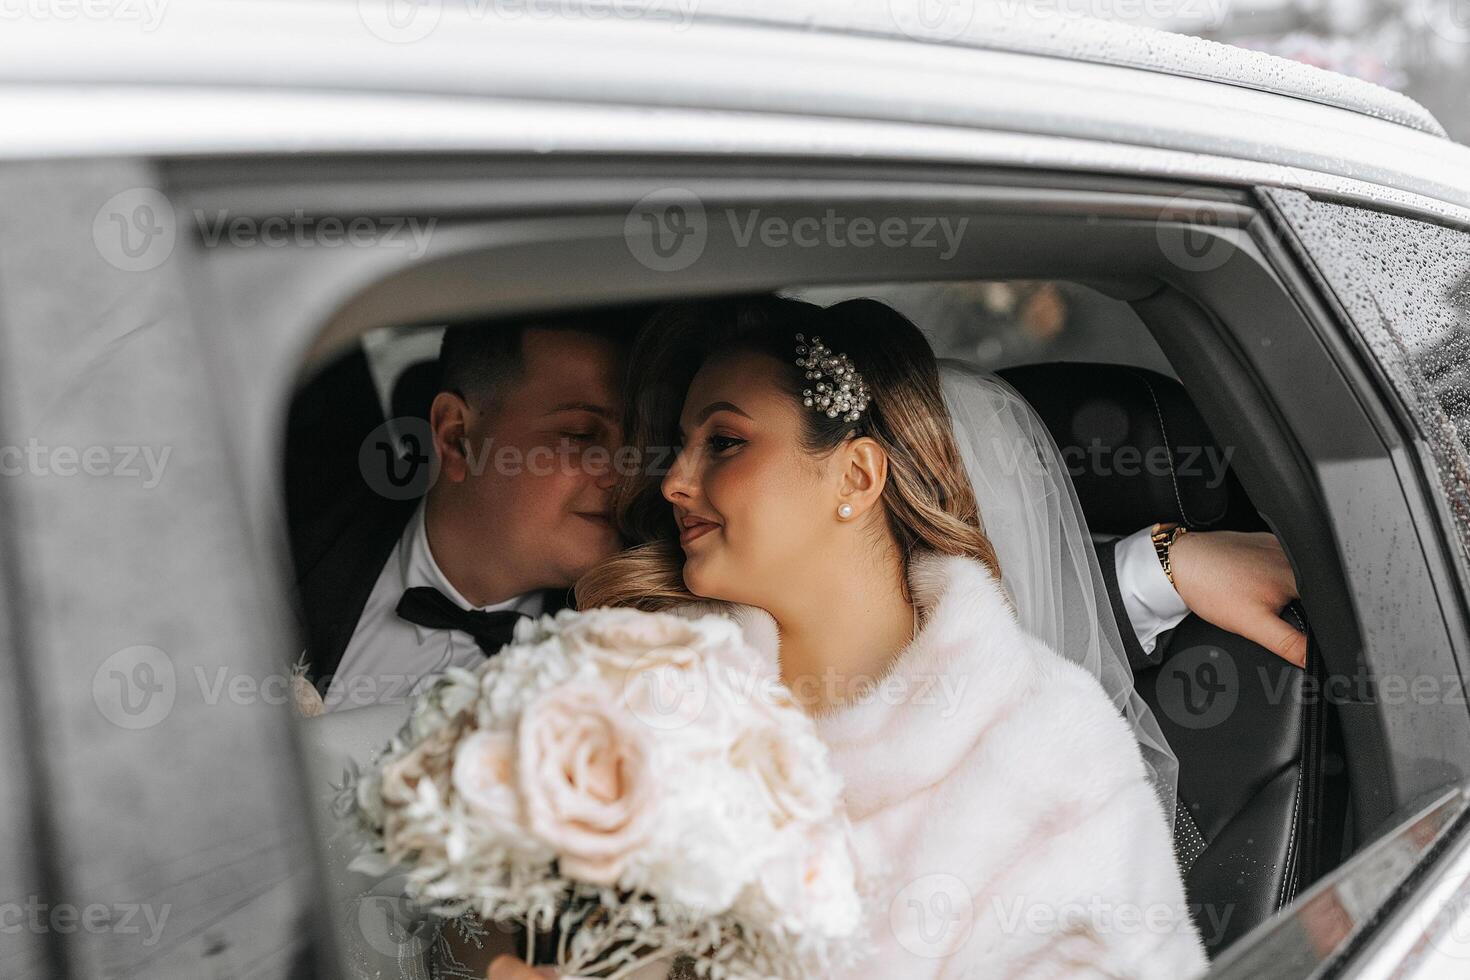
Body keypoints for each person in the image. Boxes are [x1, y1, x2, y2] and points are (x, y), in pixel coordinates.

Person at [490, 296, 1210, 978]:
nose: (674, 481)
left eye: (725, 442)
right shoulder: (631, 698)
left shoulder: (1051, 757)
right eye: (681, 447)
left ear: (856, 475)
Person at [293, 305, 1303, 717]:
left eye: (703, 441)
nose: (650, 477)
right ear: (459, 437)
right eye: (584, 437)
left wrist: (1152, 561)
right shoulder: (267, 561)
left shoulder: (676, 633)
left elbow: (891, 616)